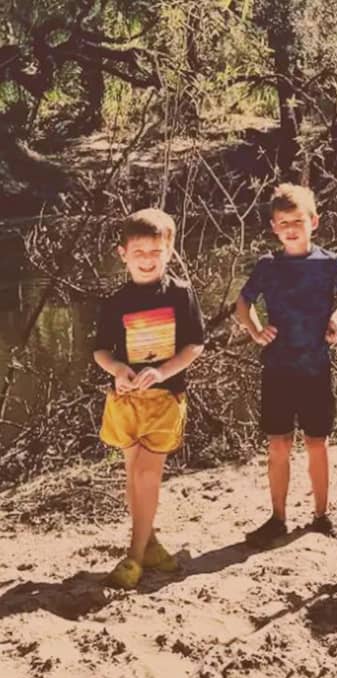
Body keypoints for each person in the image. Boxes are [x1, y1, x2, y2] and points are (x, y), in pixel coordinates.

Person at [235, 183, 337, 548]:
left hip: (315, 368)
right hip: (277, 369)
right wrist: (256, 330)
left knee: (317, 442)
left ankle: (322, 515)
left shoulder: (329, 263)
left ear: (314, 221)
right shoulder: (268, 266)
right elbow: (243, 304)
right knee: (279, 445)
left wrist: (336, 317)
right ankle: (277, 518)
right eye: (283, 221)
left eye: (298, 220)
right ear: (274, 226)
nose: (291, 227)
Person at [93, 208, 206, 589]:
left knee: (146, 473)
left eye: (155, 251)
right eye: (138, 251)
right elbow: (100, 351)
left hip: (164, 400)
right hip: (125, 402)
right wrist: (118, 371)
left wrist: (162, 371)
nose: (147, 259)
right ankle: (151, 543)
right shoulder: (116, 301)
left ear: (170, 252)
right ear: (122, 253)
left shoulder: (179, 294)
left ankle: (134, 557)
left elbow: (194, 345)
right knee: (133, 475)